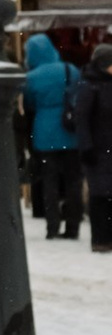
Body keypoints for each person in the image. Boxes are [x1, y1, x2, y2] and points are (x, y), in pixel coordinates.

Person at [23, 27, 84, 242]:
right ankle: (73, 225)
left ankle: (52, 226)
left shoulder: (30, 77)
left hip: (44, 133)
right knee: (73, 181)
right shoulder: (70, 70)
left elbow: (29, 104)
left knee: (49, 182)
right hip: (70, 131)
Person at [74, 42, 112, 253]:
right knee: (100, 194)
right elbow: (82, 118)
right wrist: (86, 147)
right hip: (97, 151)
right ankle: (101, 239)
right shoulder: (90, 85)